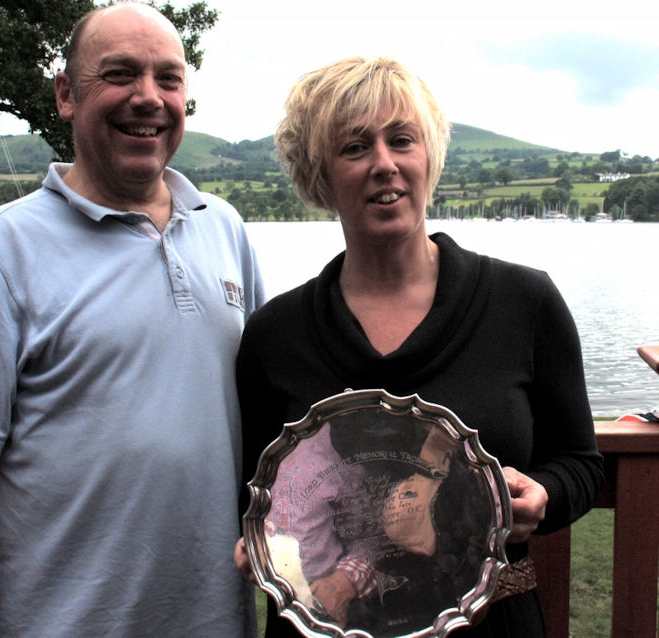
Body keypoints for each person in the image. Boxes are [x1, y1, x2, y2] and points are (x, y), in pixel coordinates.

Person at [0, 3, 264, 637]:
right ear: (67, 95)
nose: (148, 98)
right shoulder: (2, 248)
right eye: (120, 74)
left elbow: (276, 414)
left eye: (169, 78)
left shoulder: (226, 229)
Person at [234, 56, 603, 637]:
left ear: (427, 156)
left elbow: (582, 465)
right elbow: (258, 491)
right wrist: (263, 541)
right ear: (320, 174)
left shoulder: (523, 301)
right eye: (355, 147)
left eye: (402, 140)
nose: (385, 164)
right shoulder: (277, 333)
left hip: (493, 624)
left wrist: (546, 496)